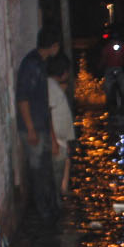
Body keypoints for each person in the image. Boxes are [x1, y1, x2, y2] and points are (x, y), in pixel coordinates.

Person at [15, 26, 61, 220]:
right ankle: (43, 212)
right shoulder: (32, 65)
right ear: (53, 46)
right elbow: (23, 99)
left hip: (40, 125)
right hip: (33, 127)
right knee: (37, 171)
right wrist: (31, 129)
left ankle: (50, 209)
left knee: (45, 169)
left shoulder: (40, 63)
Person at [47, 50, 76, 197]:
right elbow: (47, 115)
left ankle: (62, 195)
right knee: (56, 181)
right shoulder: (50, 87)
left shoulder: (54, 86)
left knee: (63, 170)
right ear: (63, 72)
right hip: (57, 141)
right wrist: (53, 141)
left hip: (61, 141)